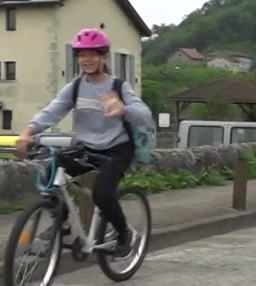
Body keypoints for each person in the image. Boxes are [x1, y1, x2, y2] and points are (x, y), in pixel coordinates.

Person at [17, 28, 154, 257]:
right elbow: (52, 112)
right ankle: (62, 221)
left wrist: (123, 109)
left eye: (93, 54)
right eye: (82, 55)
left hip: (117, 149)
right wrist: (27, 132)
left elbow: (144, 114)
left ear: (104, 57)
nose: (87, 60)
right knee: (50, 173)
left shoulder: (119, 87)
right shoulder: (76, 87)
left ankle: (123, 234)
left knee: (102, 194)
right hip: (87, 147)